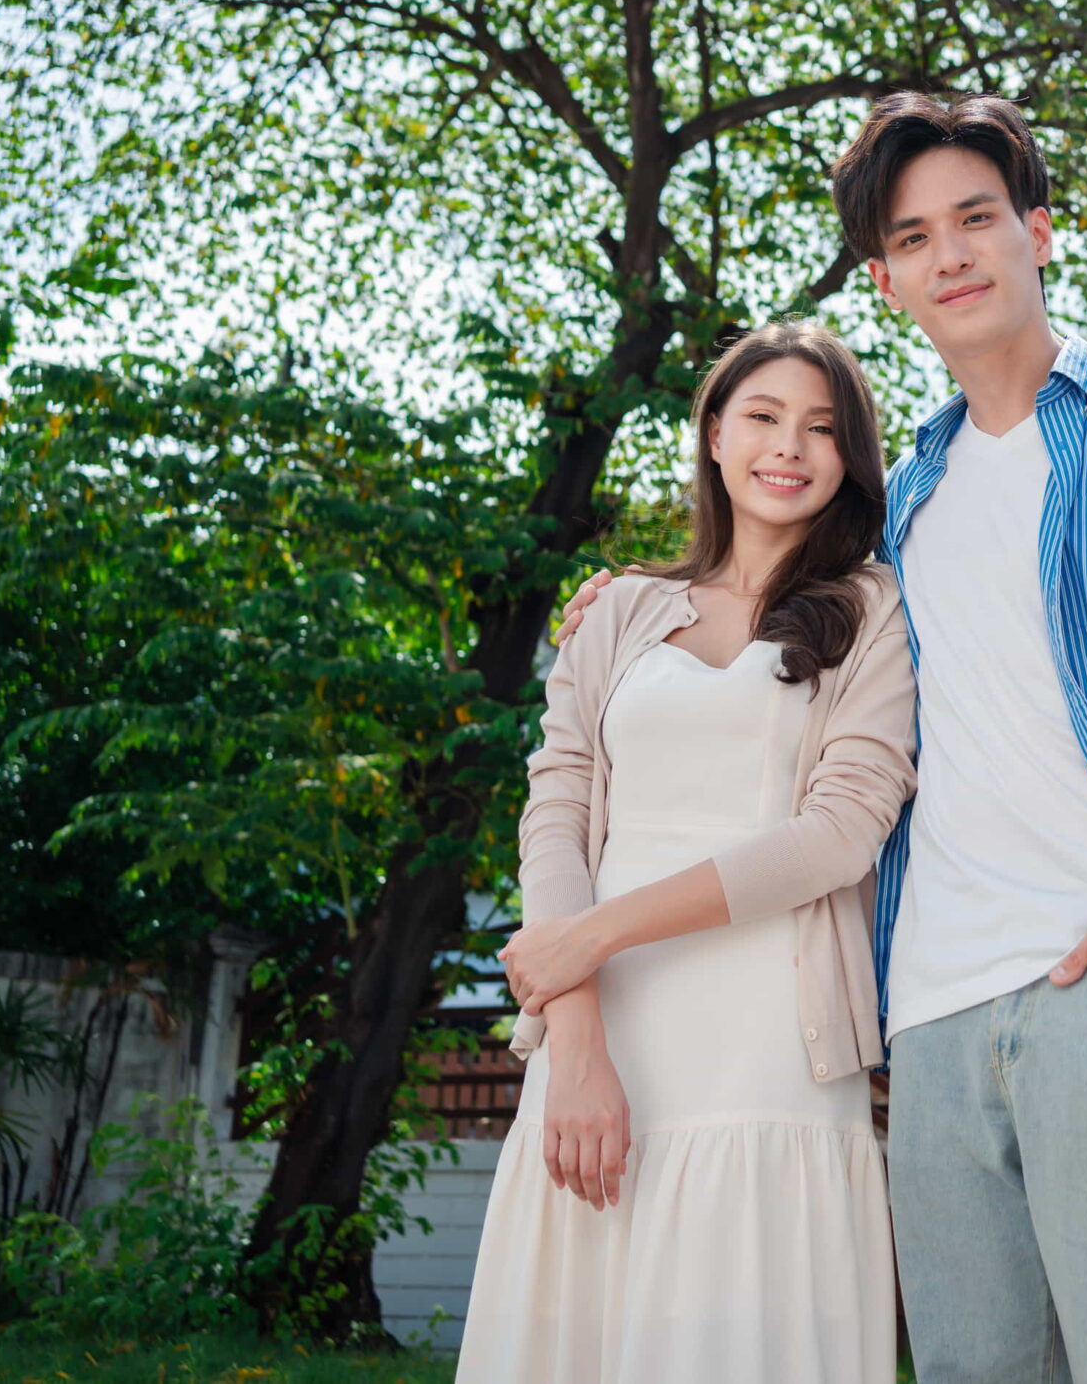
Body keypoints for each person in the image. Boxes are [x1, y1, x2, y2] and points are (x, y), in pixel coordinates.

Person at [558, 92, 1087, 1382]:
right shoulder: (901, 504)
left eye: (977, 218)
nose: (953, 254)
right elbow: (763, 608)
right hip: (926, 1015)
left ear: (1038, 230)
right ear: (888, 279)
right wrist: (627, 599)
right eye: (916, 238)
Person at [460, 321, 917, 1383]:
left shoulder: (875, 611)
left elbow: (842, 833)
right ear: (713, 432)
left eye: (821, 429)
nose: (788, 447)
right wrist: (573, 1038)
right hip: (605, 1031)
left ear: (849, 459)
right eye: (762, 417)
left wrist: (590, 936)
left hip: (772, 1045)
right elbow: (558, 808)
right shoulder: (616, 608)